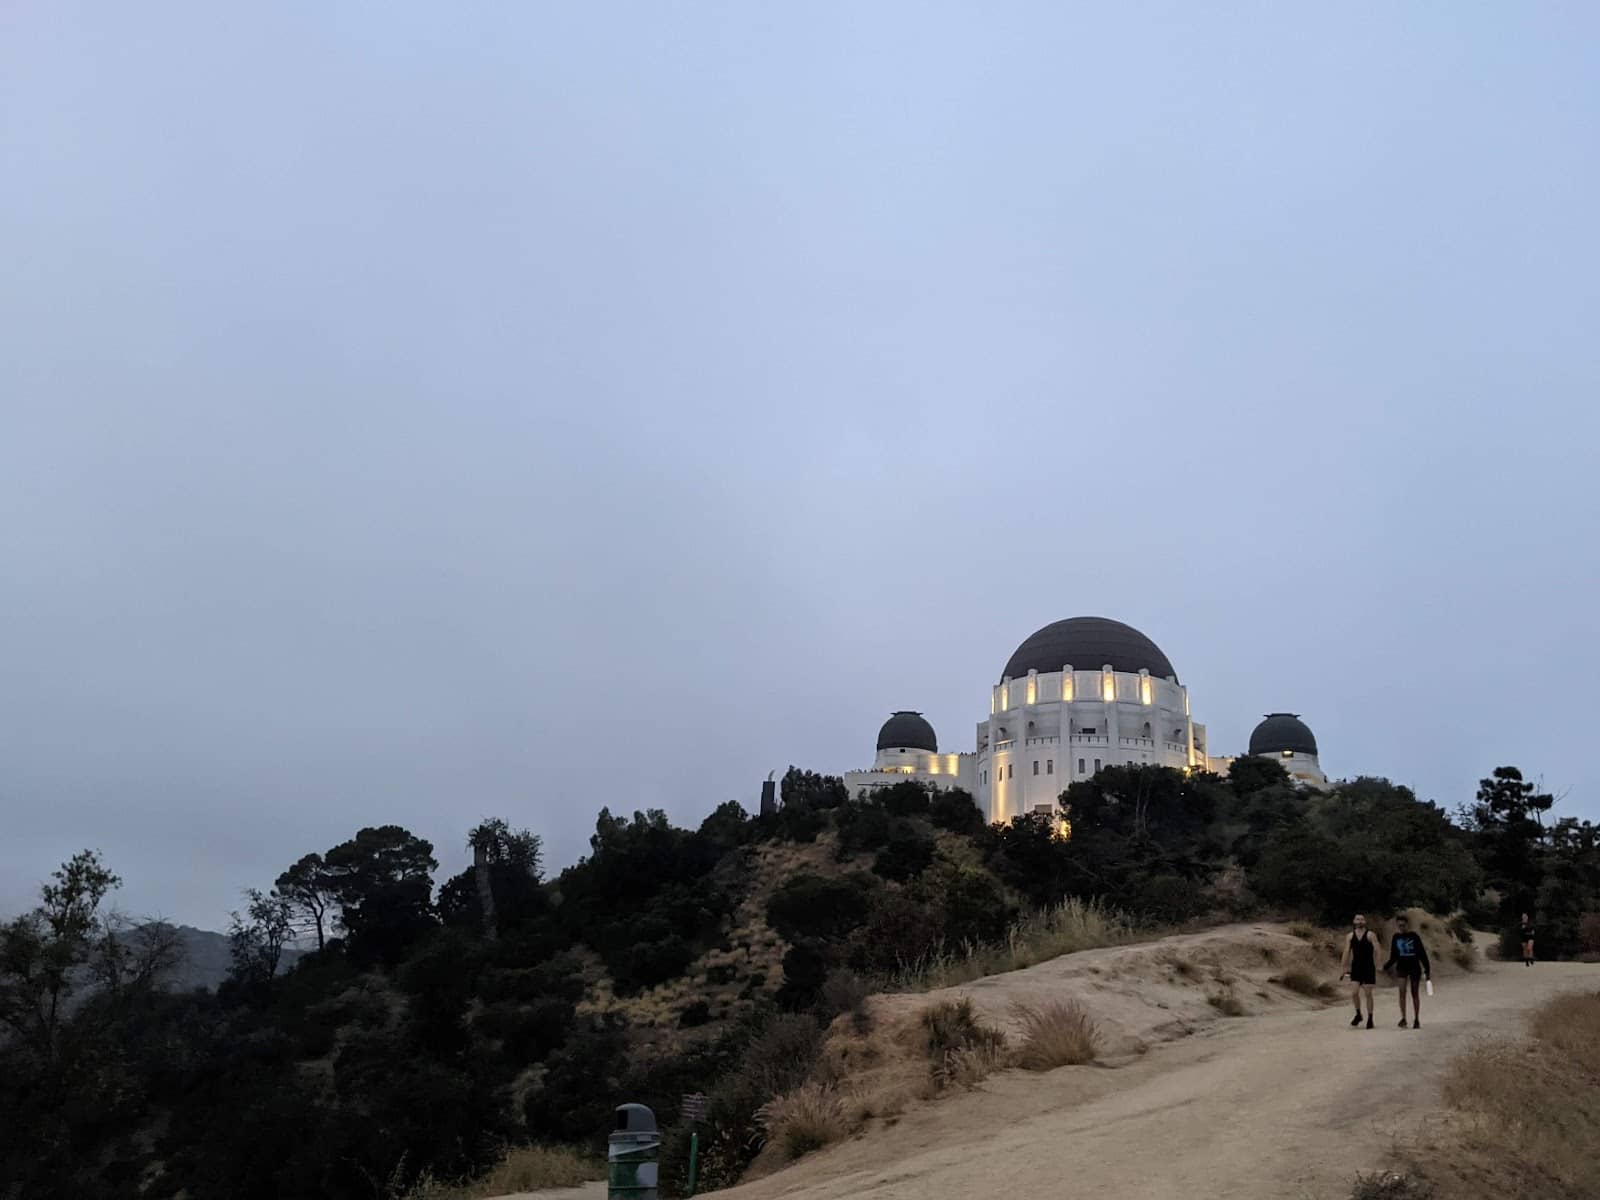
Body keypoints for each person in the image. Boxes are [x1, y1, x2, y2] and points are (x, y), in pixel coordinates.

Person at [1384, 914, 1432, 1028]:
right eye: (1399, 925)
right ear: (1397, 925)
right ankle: (1403, 1018)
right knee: (1402, 993)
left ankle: (1416, 1019)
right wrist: (1386, 966)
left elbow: (1422, 954)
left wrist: (1427, 970)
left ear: (1407, 925)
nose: (1401, 927)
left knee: (1414, 993)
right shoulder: (1396, 937)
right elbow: (1394, 956)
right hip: (1402, 967)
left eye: (1403, 925)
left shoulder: (1414, 936)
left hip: (1415, 967)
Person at [1338, 913, 1380, 1029]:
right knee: (1354, 992)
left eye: (1362, 919)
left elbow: (1377, 949)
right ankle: (1358, 1014)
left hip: (1368, 967)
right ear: (1354, 921)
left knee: (1368, 993)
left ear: (1365, 922)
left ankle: (1370, 1018)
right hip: (1356, 967)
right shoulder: (1350, 936)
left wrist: (1378, 964)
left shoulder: (1370, 935)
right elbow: (1346, 952)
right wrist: (1343, 967)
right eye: (1358, 919)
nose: (1360, 921)